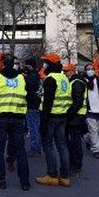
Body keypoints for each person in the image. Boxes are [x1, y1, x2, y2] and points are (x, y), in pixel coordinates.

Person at [0, 54, 31, 190]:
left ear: (2, 64)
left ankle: (1, 180)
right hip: (18, 119)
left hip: (1, 119)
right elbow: (29, 94)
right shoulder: (22, 79)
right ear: (13, 64)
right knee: (20, 150)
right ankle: (25, 182)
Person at [35, 53, 72, 187]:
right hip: (62, 116)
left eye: (45, 62)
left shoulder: (50, 79)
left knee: (48, 144)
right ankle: (65, 177)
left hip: (50, 117)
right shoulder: (64, 78)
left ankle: (52, 175)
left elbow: (47, 103)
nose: (44, 65)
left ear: (50, 64)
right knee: (62, 146)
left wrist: (43, 123)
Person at [63, 64, 87, 176]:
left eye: (67, 71)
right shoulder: (76, 81)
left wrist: (68, 114)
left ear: (72, 71)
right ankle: (75, 165)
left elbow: (77, 102)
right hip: (77, 116)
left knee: (75, 143)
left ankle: (76, 166)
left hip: (76, 116)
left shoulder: (76, 82)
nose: (65, 73)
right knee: (74, 142)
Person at [24, 58, 42, 157]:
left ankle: (35, 148)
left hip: (31, 104)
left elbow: (28, 91)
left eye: (25, 65)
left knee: (33, 127)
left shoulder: (31, 76)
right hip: (37, 104)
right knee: (36, 126)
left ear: (29, 65)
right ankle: (37, 147)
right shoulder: (36, 75)